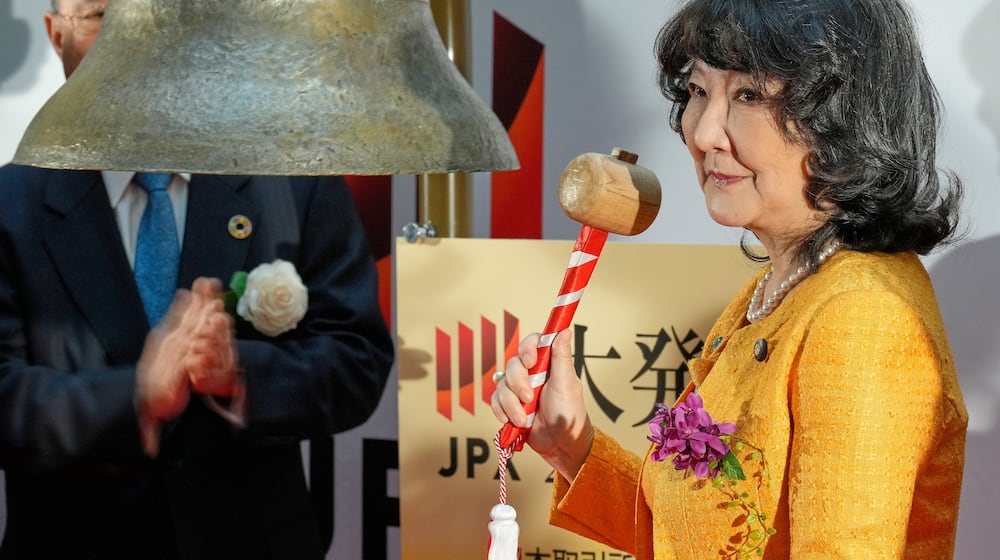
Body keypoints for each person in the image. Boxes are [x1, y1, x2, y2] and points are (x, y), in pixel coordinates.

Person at [491, 0, 968, 558]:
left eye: (749, 95)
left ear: (844, 114)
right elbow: (704, 537)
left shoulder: (862, 318)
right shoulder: (784, 286)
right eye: (698, 92)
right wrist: (573, 447)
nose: (704, 134)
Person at [0, 0, 394, 558]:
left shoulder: (290, 178)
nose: (131, 44)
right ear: (54, 33)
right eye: (102, 17)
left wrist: (239, 375)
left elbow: (356, 360)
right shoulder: (12, 203)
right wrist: (133, 397)